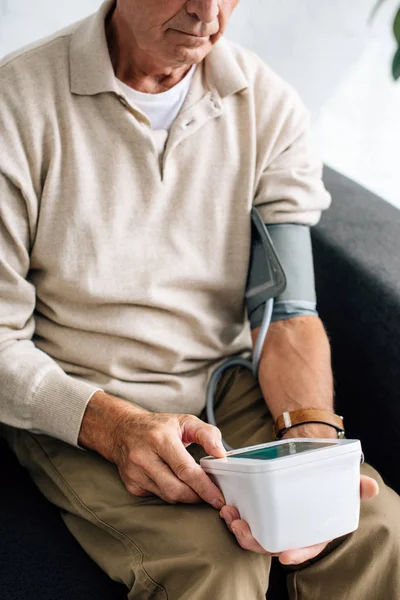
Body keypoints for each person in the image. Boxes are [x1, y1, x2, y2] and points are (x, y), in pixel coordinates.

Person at [0, 1, 399, 598]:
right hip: (83, 395)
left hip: (226, 388)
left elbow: (288, 313)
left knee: (377, 533)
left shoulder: (270, 105)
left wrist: (312, 450)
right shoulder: (15, 102)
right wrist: (115, 427)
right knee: (217, 569)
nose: (207, 11)